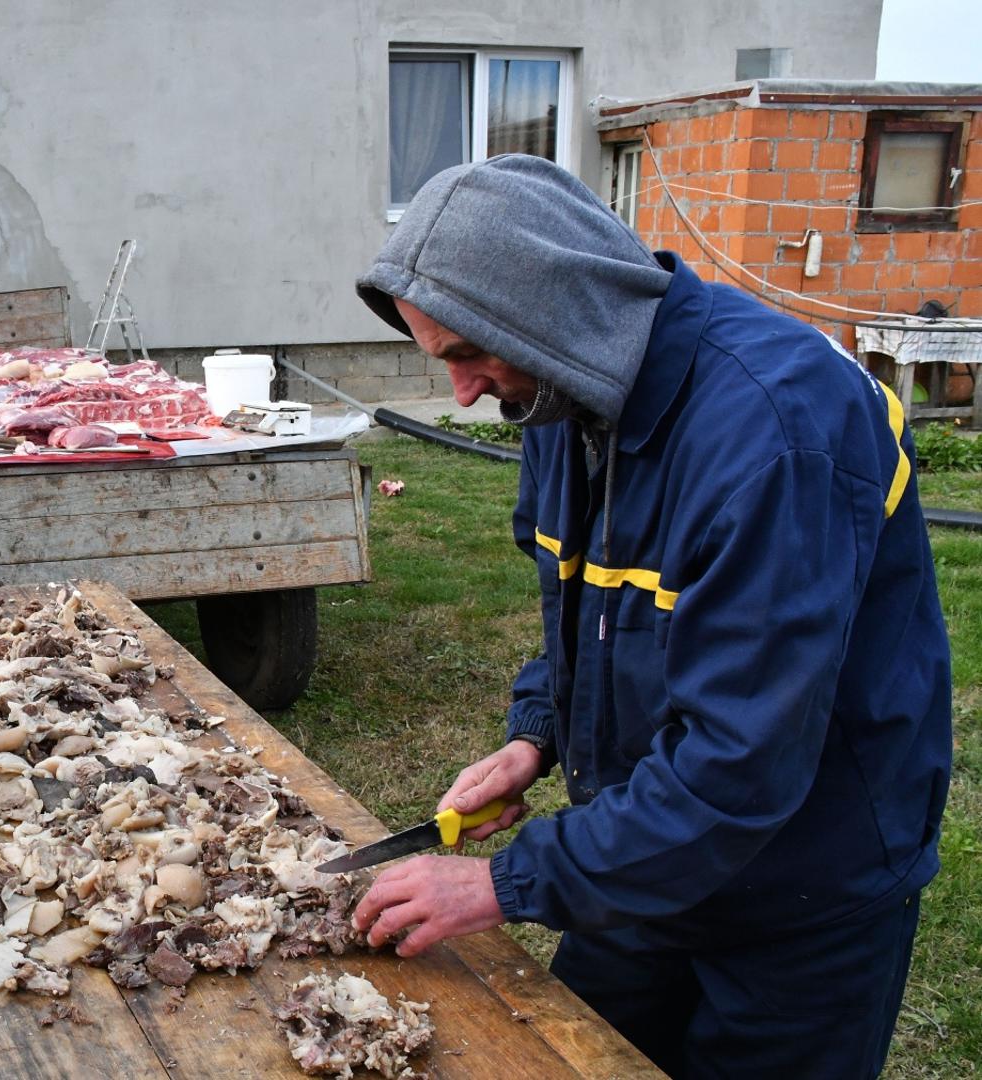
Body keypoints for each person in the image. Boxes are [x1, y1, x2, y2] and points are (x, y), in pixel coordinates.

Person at [350, 155, 950, 1079]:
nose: (463, 392)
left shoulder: (775, 434)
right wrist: (538, 735)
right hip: (648, 852)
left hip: (804, 886)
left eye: (468, 356)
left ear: (550, 310)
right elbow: (579, 608)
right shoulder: (563, 395)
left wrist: (502, 884)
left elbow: (743, 766)